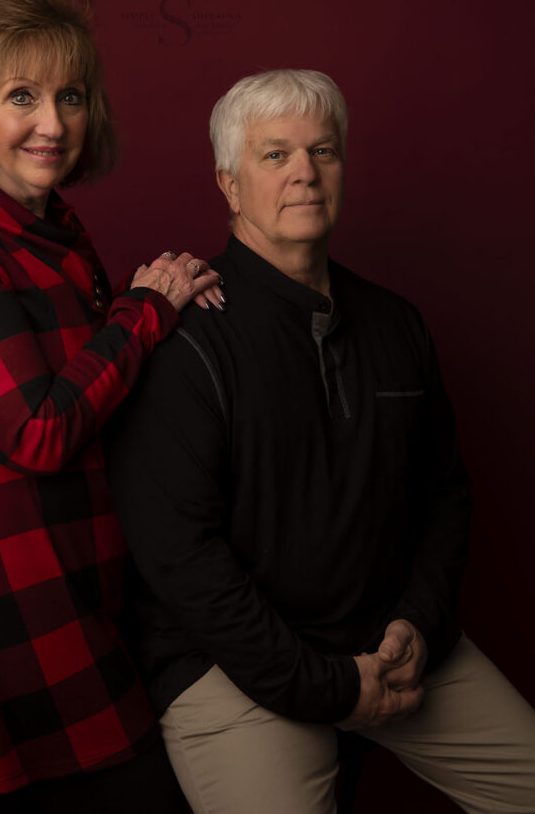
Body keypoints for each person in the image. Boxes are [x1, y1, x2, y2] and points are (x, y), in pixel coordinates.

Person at [106, 69, 535, 813]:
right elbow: (181, 559)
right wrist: (325, 686)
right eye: (275, 155)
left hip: (392, 644)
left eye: (324, 151)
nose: (305, 171)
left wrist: (419, 626)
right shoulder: (188, 342)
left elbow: (443, 494)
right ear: (230, 185)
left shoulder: (397, 324)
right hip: (236, 666)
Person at [0, 0, 223, 811]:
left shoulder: (52, 228)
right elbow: (36, 431)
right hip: (5, 581)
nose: (53, 123)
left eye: (70, 95)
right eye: (22, 95)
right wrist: (145, 310)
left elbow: (99, 396)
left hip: (85, 568)